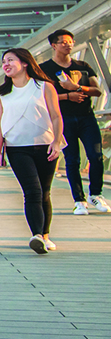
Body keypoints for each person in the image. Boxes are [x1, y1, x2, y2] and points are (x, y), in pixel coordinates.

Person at [0, 48, 65, 254]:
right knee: (32, 191)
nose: (5, 64)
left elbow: (56, 116)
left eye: (10, 60)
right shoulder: (0, 94)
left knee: (45, 191)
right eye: (3, 62)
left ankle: (45, 234)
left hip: (46, 145)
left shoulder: (44, 86)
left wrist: (57, 142)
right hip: (17, 148)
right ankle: (37, 236)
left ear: (24, 63)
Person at [40, 29, 108, 215]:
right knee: (72, 160)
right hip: (63, 119)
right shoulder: (45, 69)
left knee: (96, 156)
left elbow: (97, 91)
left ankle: (96, 194)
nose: (68, 45)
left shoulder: (83, 65)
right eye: (63, 42)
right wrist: (67, 95)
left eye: (70, 42)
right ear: (54, 45)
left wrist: (77, 87)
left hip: (87, 117)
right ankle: (79, 200)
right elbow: (42, 97)